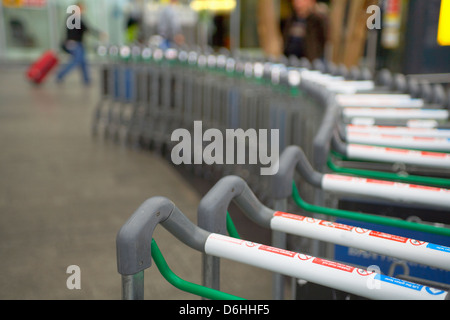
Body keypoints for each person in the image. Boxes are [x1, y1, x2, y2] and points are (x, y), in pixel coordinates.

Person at [56, 2, 104, 85]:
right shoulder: (74, 18)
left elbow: (85, 28)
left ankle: (87, 80)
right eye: (82, 8)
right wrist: (99, 34)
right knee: (76, 61)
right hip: (75, 43)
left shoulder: (75, 18)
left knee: (83, 62)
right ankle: (60, 75)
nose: (84, 10)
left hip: (77, 43)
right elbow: (86, 29)